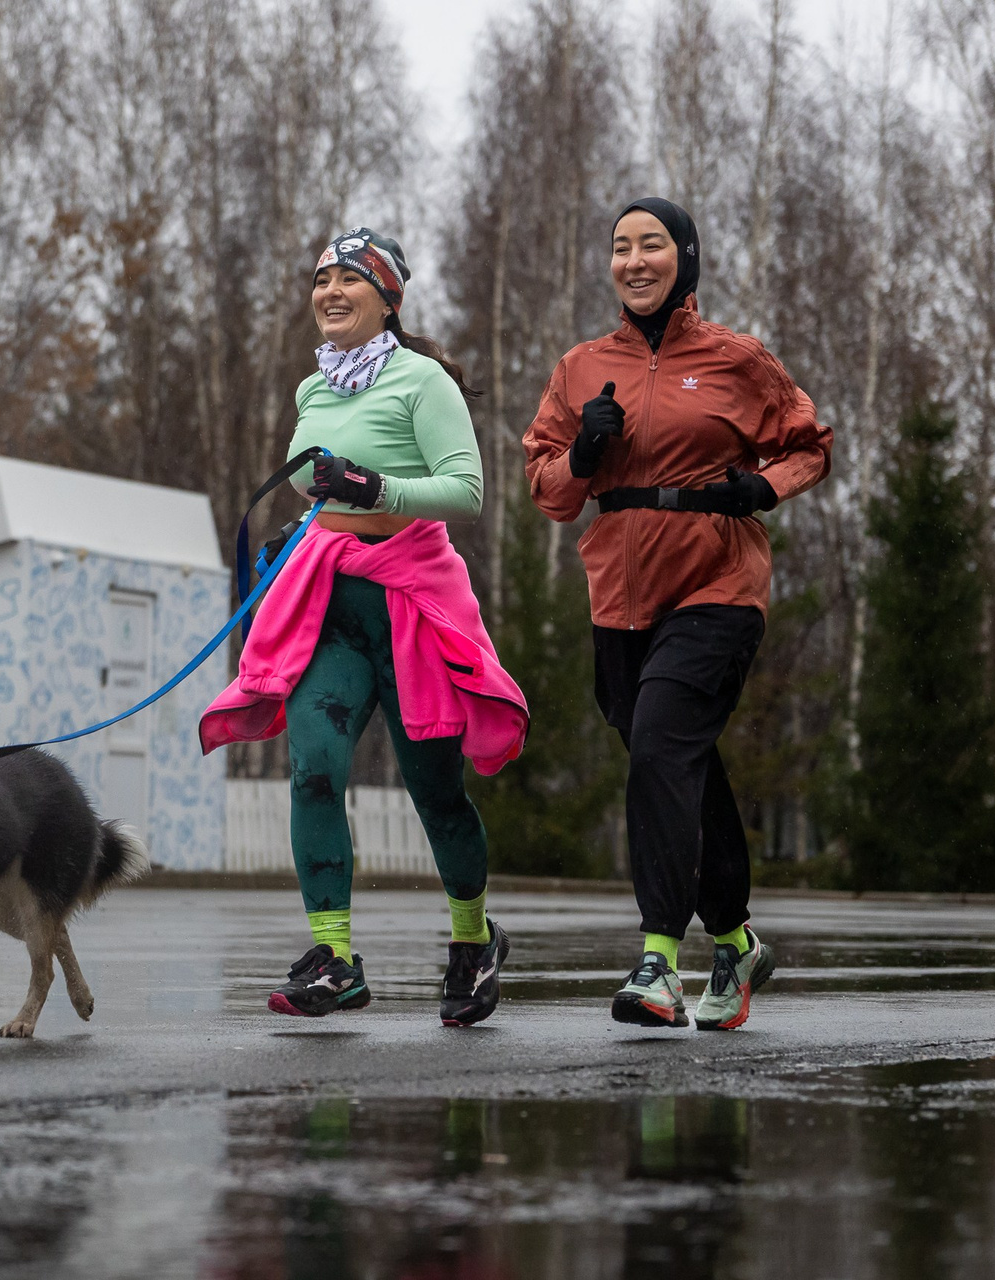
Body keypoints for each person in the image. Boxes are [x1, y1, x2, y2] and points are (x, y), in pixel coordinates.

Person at [201, 228, 529, 1026]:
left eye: (350, 278)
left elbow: (466, 492)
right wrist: (308, 524)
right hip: (332, 607)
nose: (331, 291)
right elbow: (315, 490)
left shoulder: (422, 381)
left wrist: (378, 488)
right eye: (322, 279)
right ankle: (335, 959)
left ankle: (472, 939)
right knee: (313, 769)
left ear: (388, 299)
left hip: (411, 603)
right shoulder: (313, 389)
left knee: (436, 794)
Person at [522, 198, 832, 1030]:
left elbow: (809, 445)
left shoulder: (737, 359)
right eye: (621, 246)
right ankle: (735, 940)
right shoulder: (582, 366)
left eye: (651, 244)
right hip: (619, 598)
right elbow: (547, 489)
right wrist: (583, 452)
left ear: (685, 257)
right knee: (677, 764)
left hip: (717, 586)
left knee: (662, 746)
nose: (634, 260)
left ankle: (658, 963)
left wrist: (761, 487)